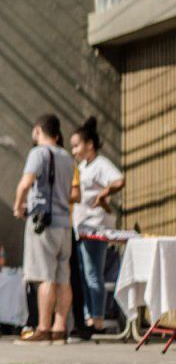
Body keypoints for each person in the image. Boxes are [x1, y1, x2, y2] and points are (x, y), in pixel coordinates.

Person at [14, 114, 75, 345]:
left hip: (43, 223)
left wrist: (18, 204)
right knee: (63, 277)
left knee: (44, 277)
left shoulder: (38, 153)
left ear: (38, 130)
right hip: (64, 223)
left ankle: (43, 328)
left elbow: (26, 182)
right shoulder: (67, 157)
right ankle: (60, 329)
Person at [70, 117, 125, 332]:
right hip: (81, 227)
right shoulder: (82, 166)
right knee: (84, 273)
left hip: (95, 227)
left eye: (77, 145)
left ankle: (98, 319)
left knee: (93, 273)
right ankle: (88, 317)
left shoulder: (100, 164)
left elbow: (119, 180)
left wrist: (104, 193)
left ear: (89, 144)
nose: (74, 150)